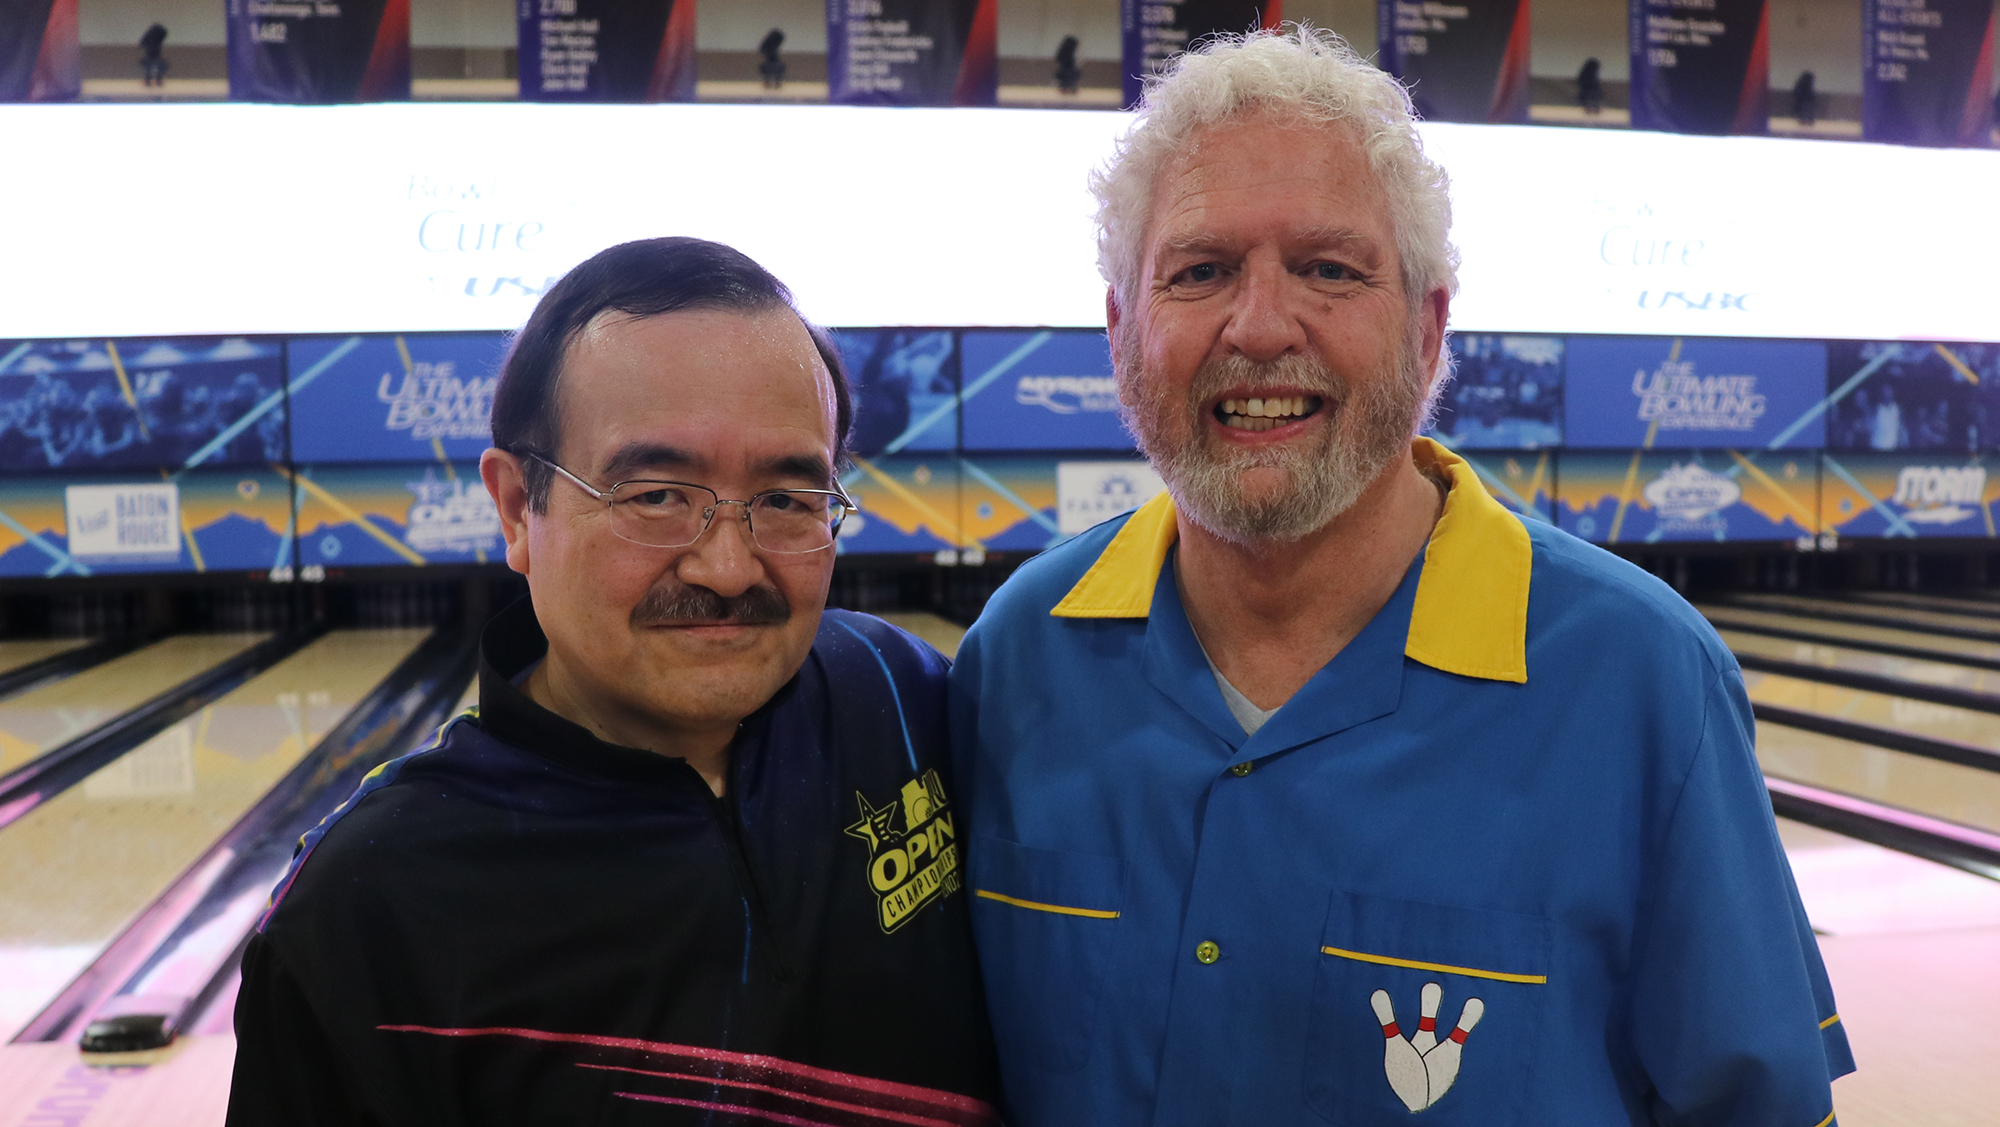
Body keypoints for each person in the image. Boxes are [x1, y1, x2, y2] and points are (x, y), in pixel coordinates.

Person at [950, 29, 1853, 1126]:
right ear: (1120, 331)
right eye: (1199, 271)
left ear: (1427, 331)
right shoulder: (1016, 657)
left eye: (1329, 269)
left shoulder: (1643, 684)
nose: (1260, 324)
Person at [228, 238, 999, 1126]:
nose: (728, 566)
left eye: (788, 500)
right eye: (657, 495)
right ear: (520, 509)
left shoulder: (904, 697)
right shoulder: (368, 905)